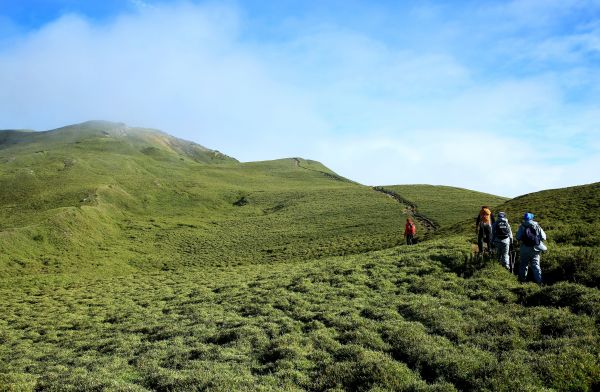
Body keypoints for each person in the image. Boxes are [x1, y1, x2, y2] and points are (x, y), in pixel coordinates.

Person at [516, 212, 547, 284]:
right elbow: (543, 237)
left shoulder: (522, 226)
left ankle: (522, 281)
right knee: (536, 266)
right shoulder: (537, 226)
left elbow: (518, 237)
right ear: (532, 218)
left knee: (523, 265)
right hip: (535, 249)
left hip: (524, 248)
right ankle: (539, 282)